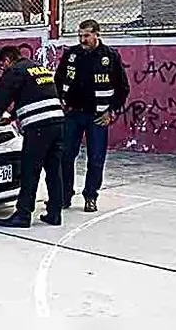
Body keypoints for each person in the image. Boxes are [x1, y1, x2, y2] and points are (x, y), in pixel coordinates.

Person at [0, 45, 65, 228]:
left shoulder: (14, 71)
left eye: (1, 65)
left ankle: (23, 214)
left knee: (30, 170)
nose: (2, 68)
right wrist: (13, 117)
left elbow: (0, 101)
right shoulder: (36, 67)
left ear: (6, 60)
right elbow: (34, 96)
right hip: (58, 124)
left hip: (39, 127)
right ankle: (54, 213)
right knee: (53, 170)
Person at [54, 19, 130, 213]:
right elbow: (58, 79)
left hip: (97, 117)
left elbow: (123, 88)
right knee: (66, 156)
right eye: (80, 35)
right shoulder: (71, 54)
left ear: (97, 34)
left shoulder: (110, 56)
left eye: (86, 35)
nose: (82, 39)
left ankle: (90, 196)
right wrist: (61, 100)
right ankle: (64, 196)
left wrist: (111, 111)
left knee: (96, 159)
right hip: (72, 114)